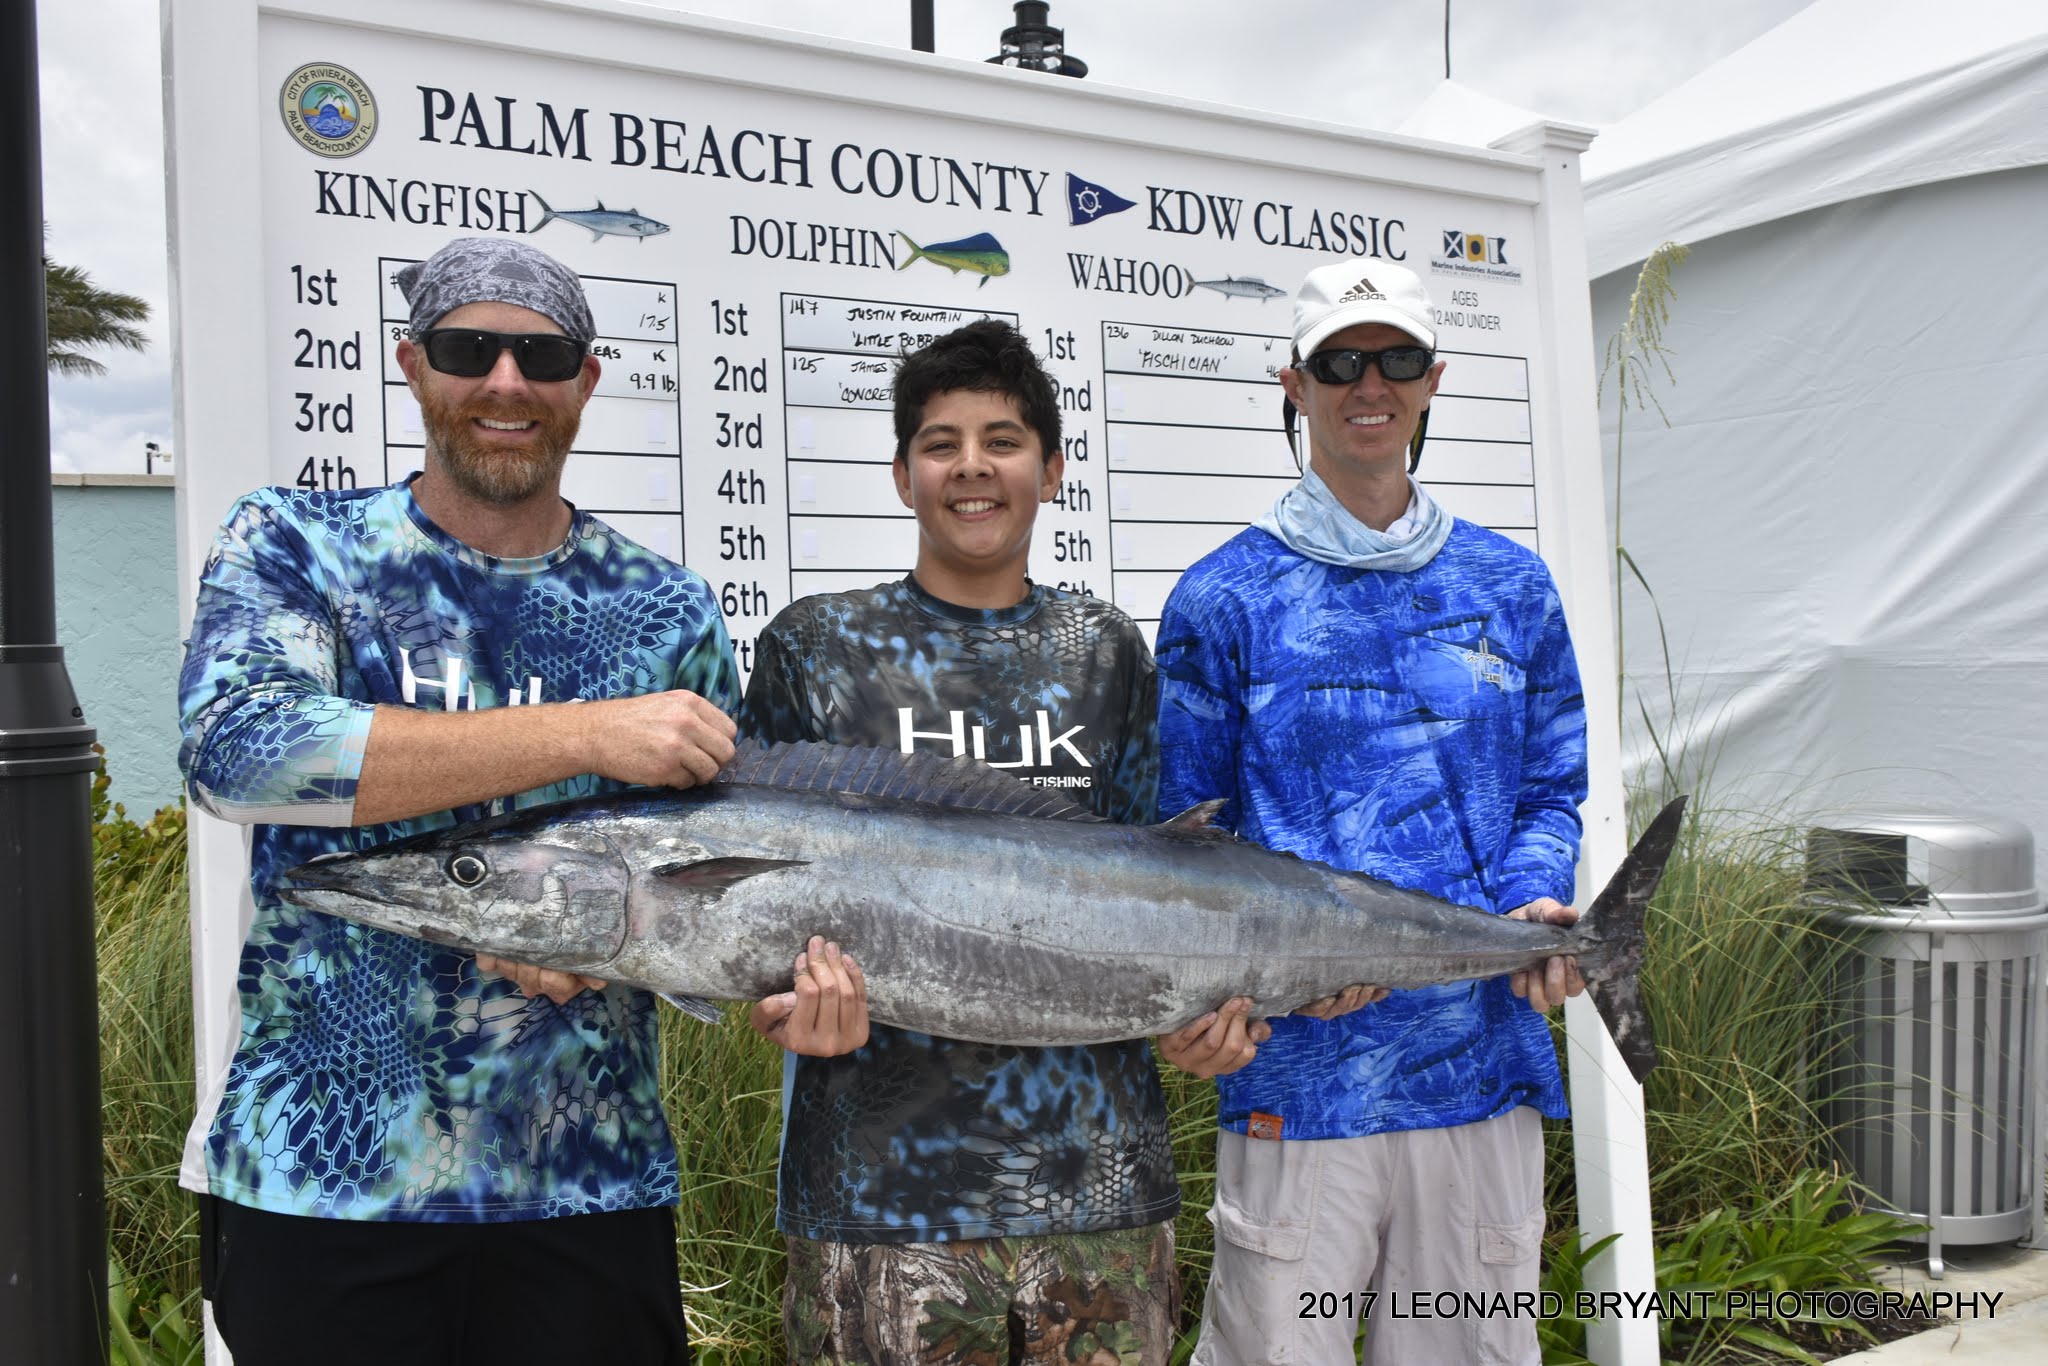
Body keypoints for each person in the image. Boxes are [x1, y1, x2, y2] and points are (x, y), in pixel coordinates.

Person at [177, 237, 738, 1364]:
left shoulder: (668, 608)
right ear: (412, 364)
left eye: (540, 355)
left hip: (588, 1181)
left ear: (584, 381)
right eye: (467, 348)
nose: (504, 382)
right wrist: (587, 732)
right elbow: (237, 750)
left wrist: (610, 948)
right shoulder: (300, 546)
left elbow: (712, 864)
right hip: (325, 1184)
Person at [740, 319, 1268, 1365]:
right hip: (878, 1201)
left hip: (1100, 1192)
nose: (971, 467)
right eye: (939, 443)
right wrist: (781, 1015)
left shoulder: (1105, 649)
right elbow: (748, 907)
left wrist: (1199, 1022)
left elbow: (1170, 880)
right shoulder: (815, 647)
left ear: (1051, 468)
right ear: (901, 475)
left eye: (1002, 439)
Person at [1157, 259, 1589, 1366]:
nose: (1369, 382)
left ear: (1432, 379)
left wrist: (1535, 898)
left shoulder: (1511, 585)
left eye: (1394, 358)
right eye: (1338, 360)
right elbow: (1184, 842)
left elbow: (1551, 787)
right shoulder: (1221, 598)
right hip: (1299, 1088)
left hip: (1478, 1070)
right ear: (1292, 383)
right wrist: (1228, 998)